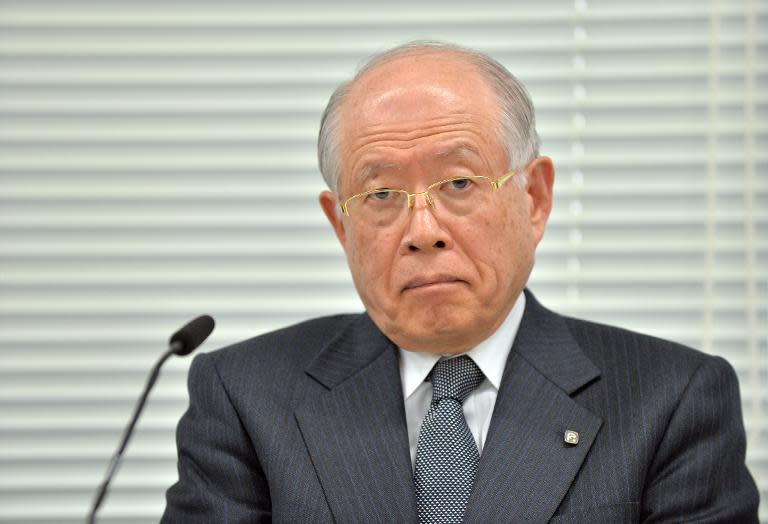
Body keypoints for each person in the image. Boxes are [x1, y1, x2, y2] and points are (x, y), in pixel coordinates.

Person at [161, 42, 759, 523]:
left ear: (535, 198)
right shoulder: (246, 396)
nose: (424, 231)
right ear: (340, 224)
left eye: (459, 183)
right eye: (381, 195)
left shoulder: (672, 400)